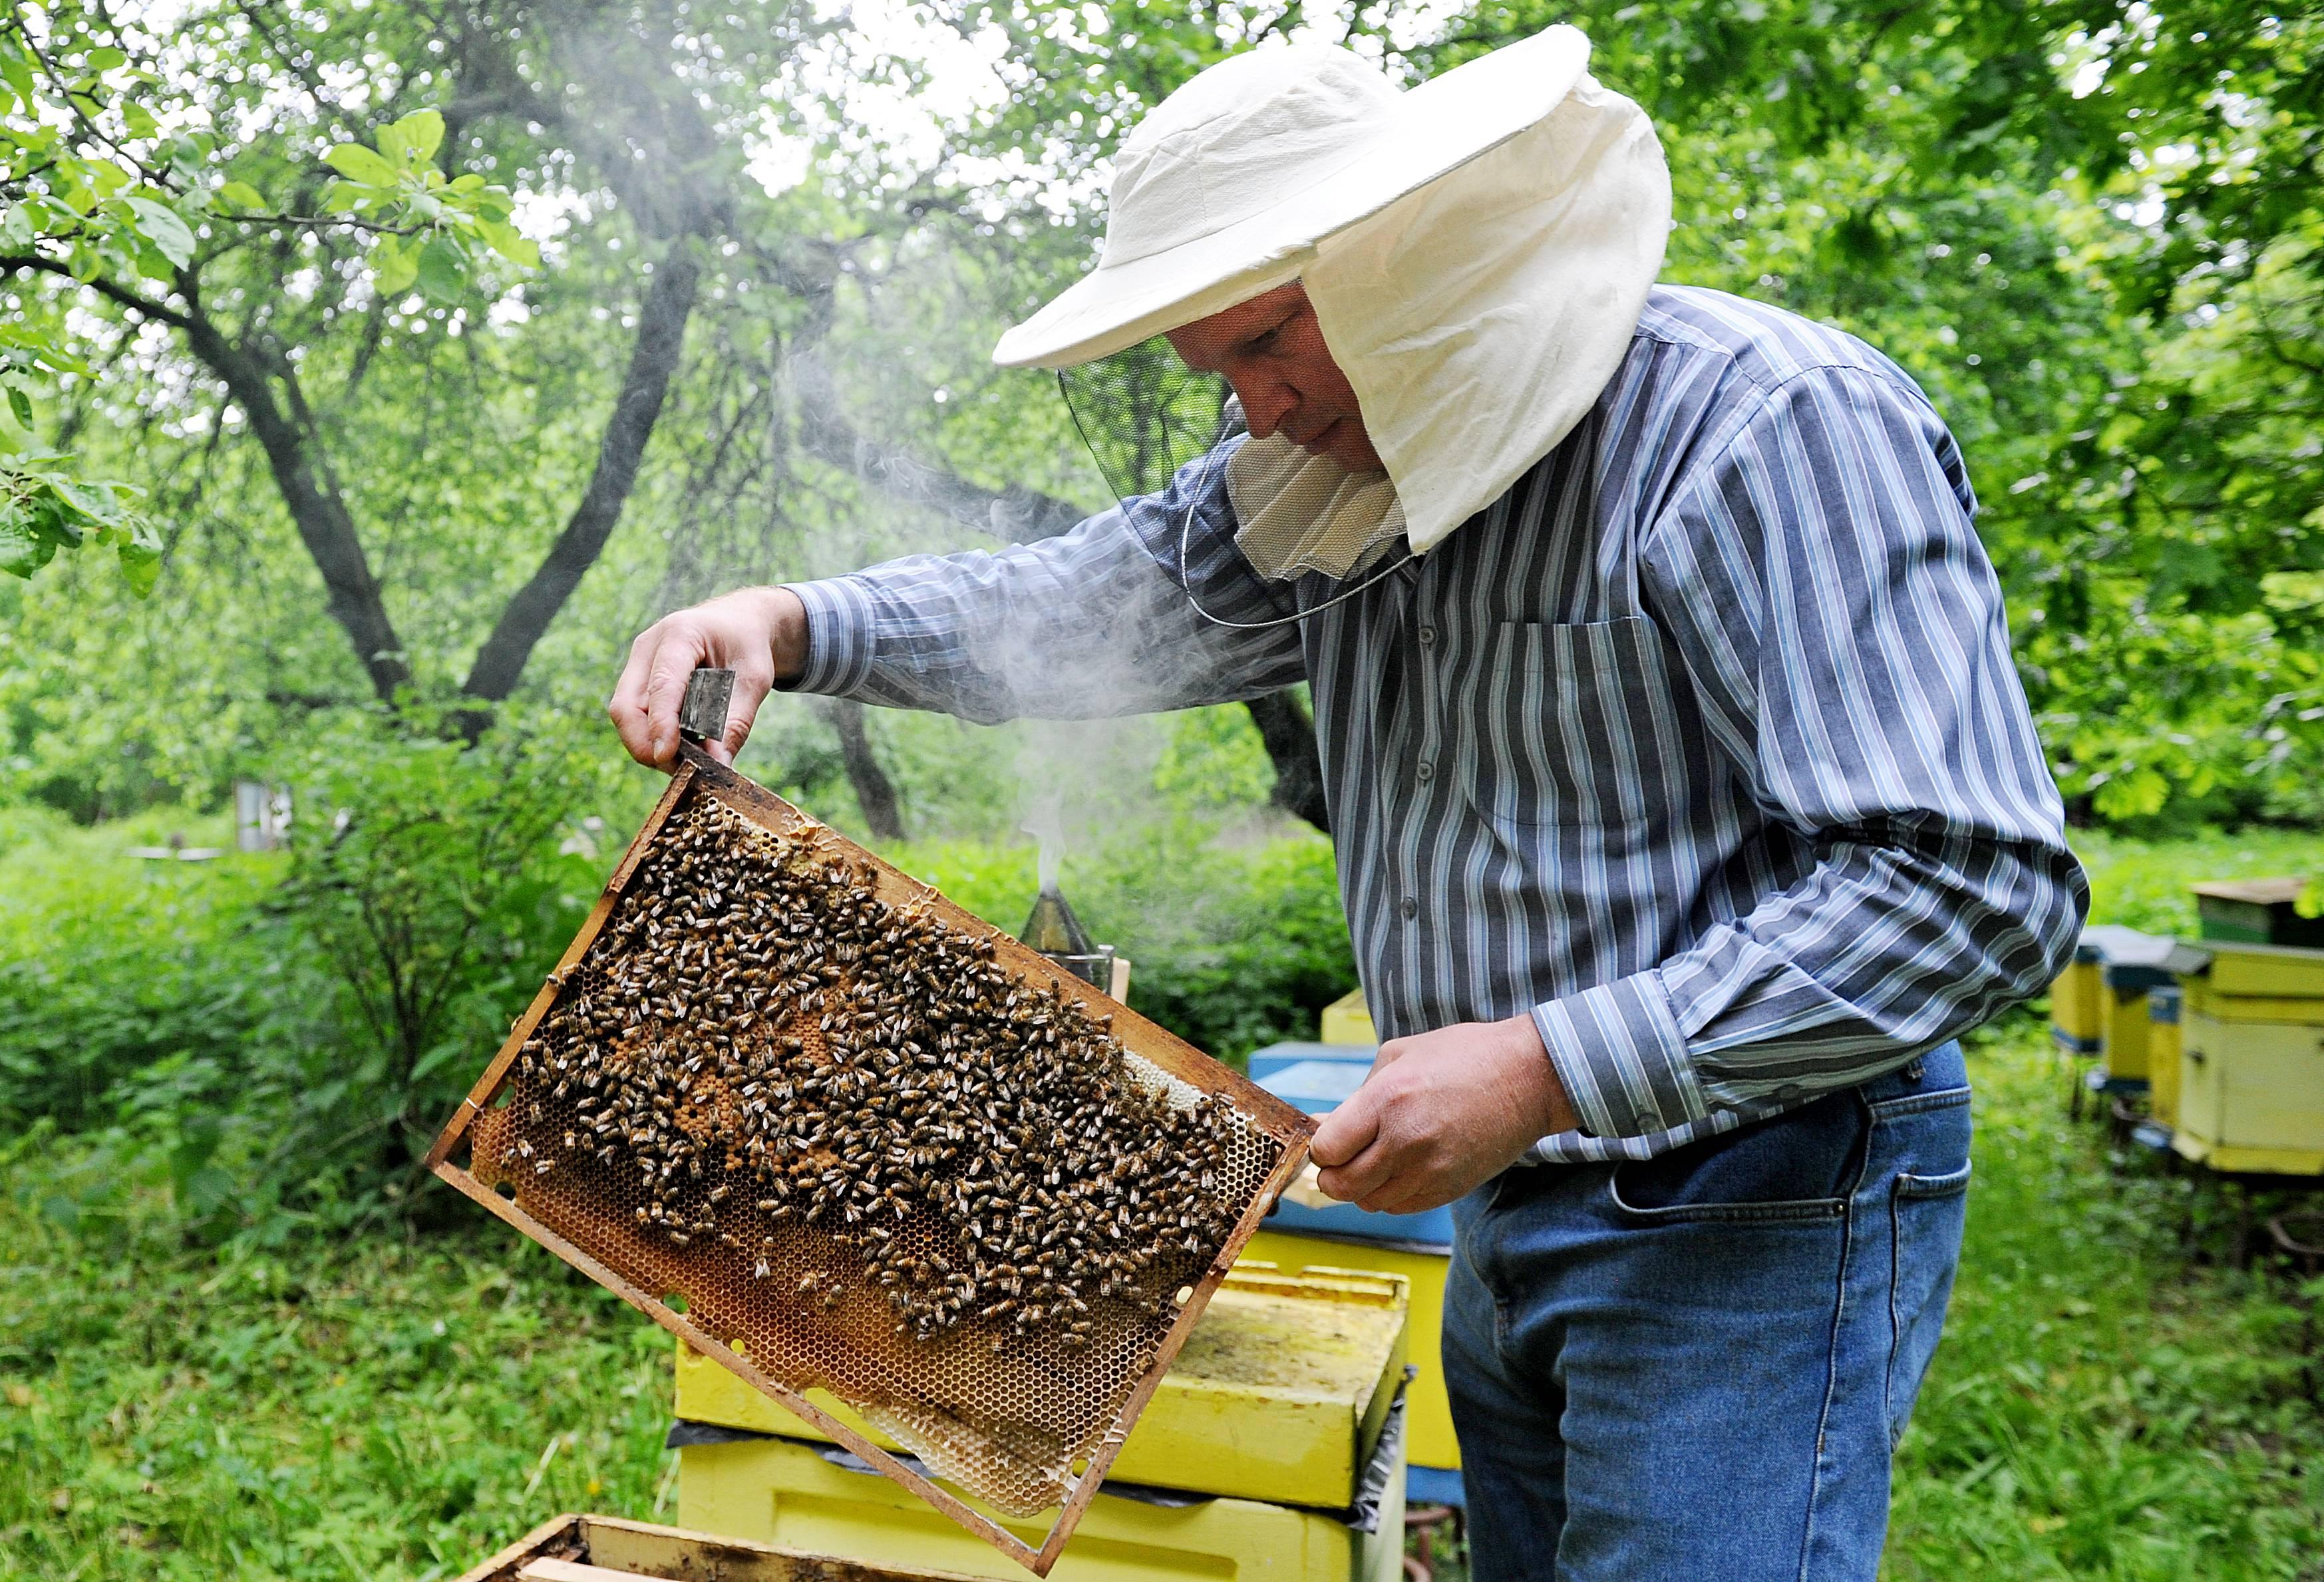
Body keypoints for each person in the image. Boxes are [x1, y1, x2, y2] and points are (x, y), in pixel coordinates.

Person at [609, 25, 2086, 1581]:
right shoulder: (1316, 472)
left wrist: (1541, 1061)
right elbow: (1072, 604)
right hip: (1506, 1197)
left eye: (1265, 344)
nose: (1250, 410)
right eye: (1218, 369)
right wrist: (786, 619)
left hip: (1761, 1188)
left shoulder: (1765, 427)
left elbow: (1967, 884)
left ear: (1407, 259)